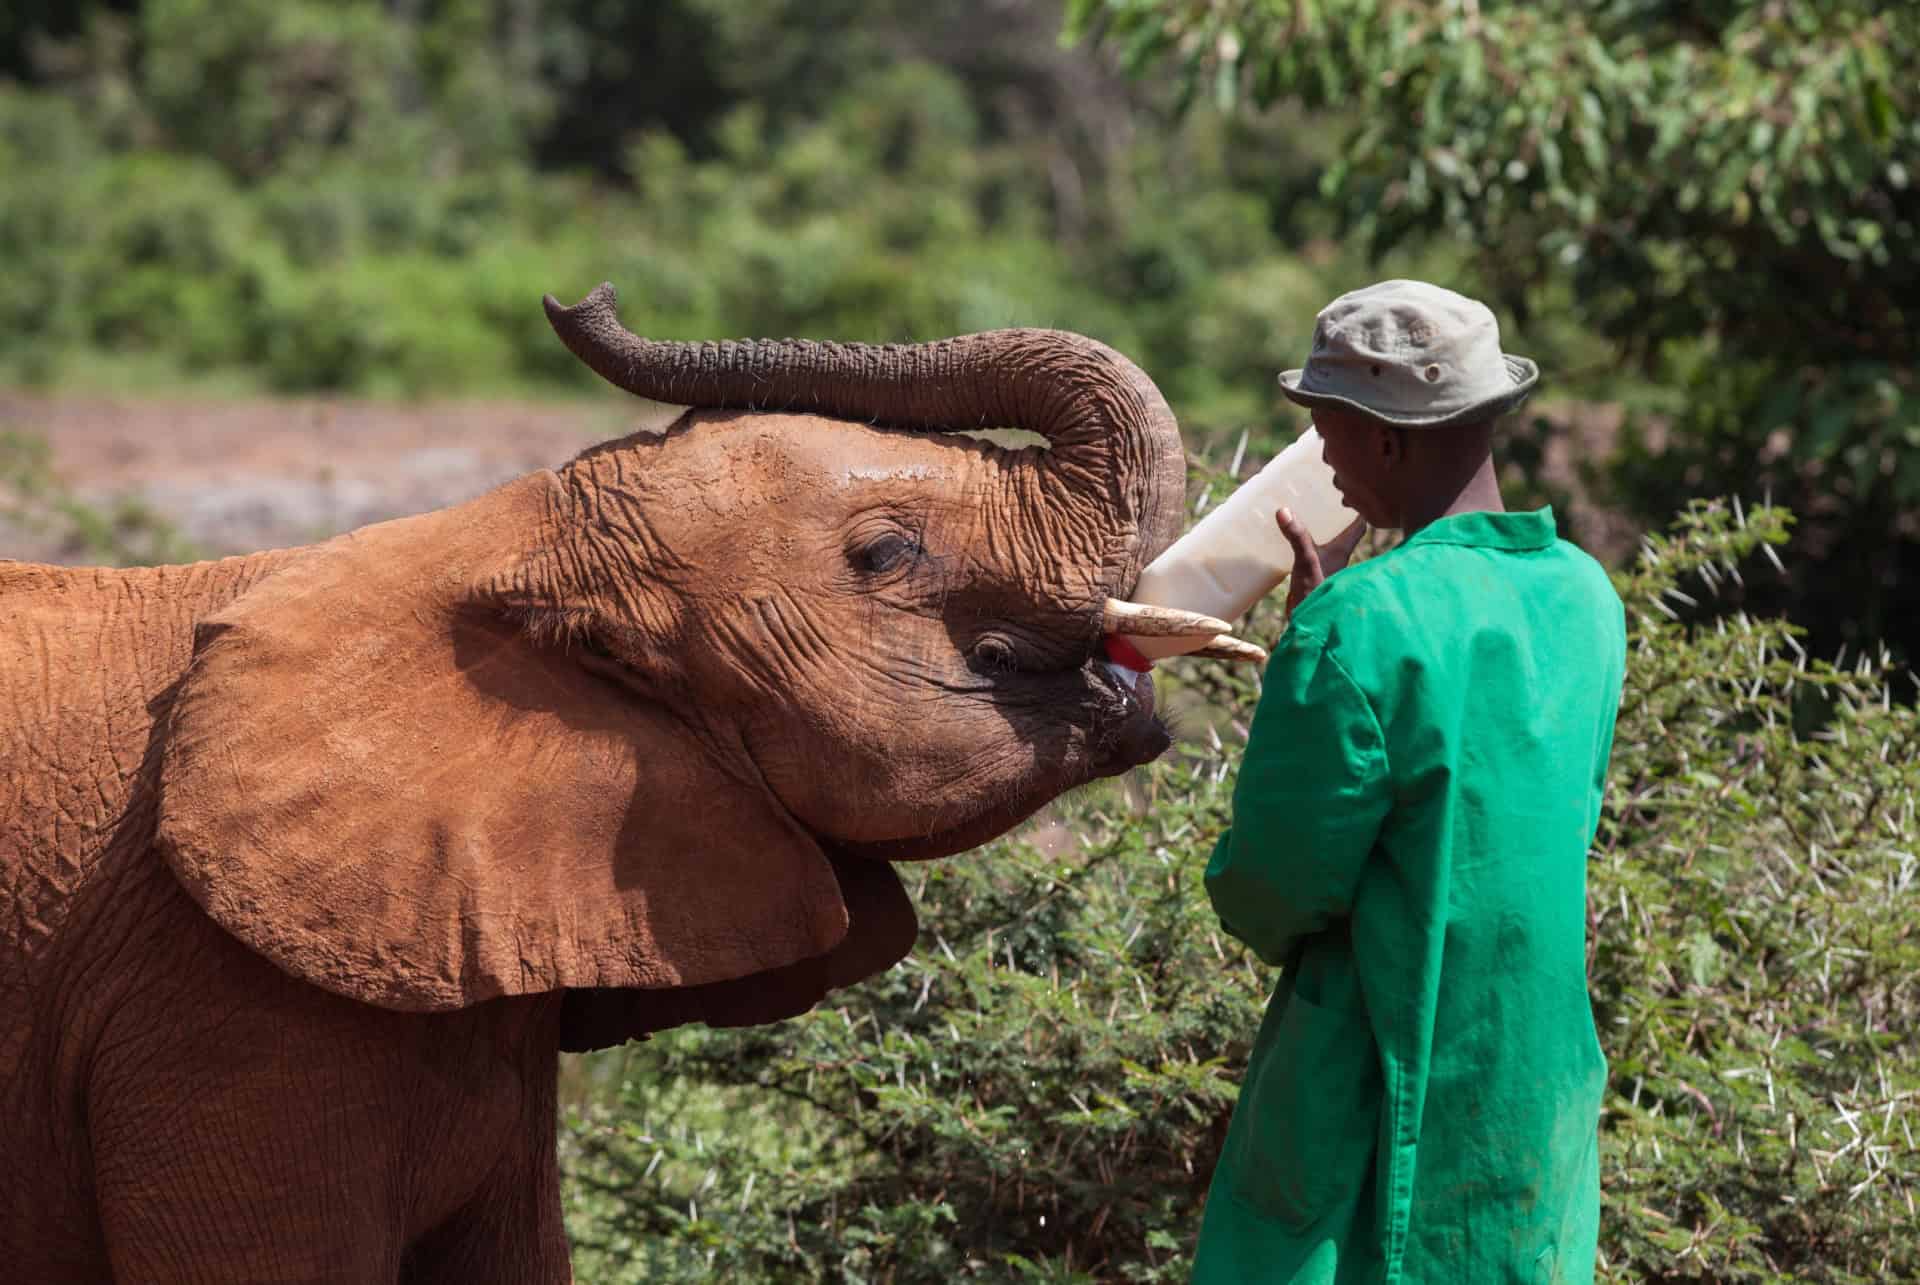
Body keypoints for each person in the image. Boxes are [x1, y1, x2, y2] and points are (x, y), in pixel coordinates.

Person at [1192, 280, 1627, 1284]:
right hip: (1533, 1094)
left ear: (1388, 440)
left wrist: (1311, 636)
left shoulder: (1358, 623)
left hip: (1371, 1091)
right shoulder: (1587, 598)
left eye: (1328, 434)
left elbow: (1270, 889)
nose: (1325, 464)